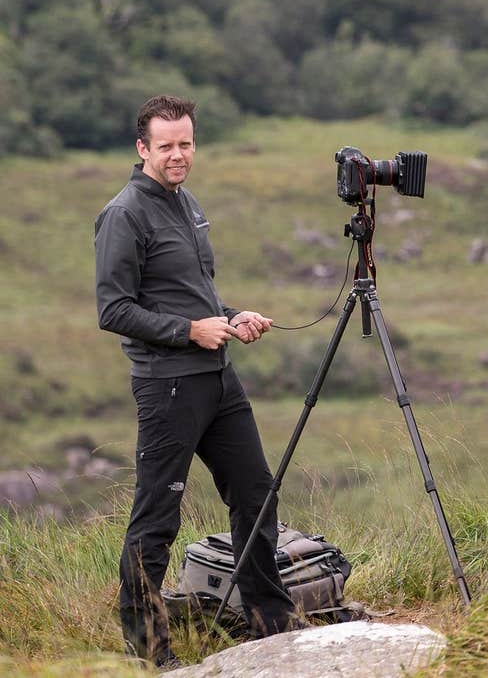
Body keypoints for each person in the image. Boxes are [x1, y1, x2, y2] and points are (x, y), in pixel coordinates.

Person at [94, 95, 300, 668]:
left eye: (186, 143)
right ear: (143, 149)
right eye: (166, 146)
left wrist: (231, 316)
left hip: (218, 378)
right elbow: (113, 310)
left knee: (256, 492)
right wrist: (189, 330)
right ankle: (149, 652)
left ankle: (272, 624)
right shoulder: (124, 214)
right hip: (169, 385)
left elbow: (197, 295)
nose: (178, 154)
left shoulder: (187, 203)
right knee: (157, 517)